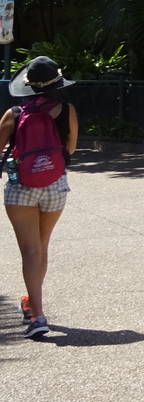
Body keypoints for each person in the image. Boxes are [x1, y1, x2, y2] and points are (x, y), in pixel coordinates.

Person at [2, 57, 77, 339]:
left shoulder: (14, 113)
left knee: (30, 251)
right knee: (41, 248)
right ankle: (31, 303)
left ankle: (37, 315)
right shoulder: (66, 110)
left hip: (21, 188)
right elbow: (70, 148)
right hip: (55, 185)